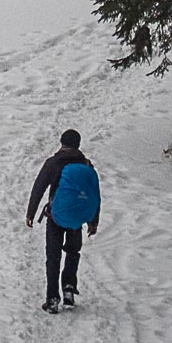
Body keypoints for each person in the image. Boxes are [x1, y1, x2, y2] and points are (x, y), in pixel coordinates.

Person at [25, 128, 100, 313]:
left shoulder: (53, 162)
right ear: (78, 144)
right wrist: (93, 221)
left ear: (62, 143)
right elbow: (94, 195)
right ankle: (68, 289)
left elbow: (39, 188)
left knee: (53, 256)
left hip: (55, 217)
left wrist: (30, 213)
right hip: (77, 219)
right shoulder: (87, 165)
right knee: (73, 253)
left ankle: (52, 299)